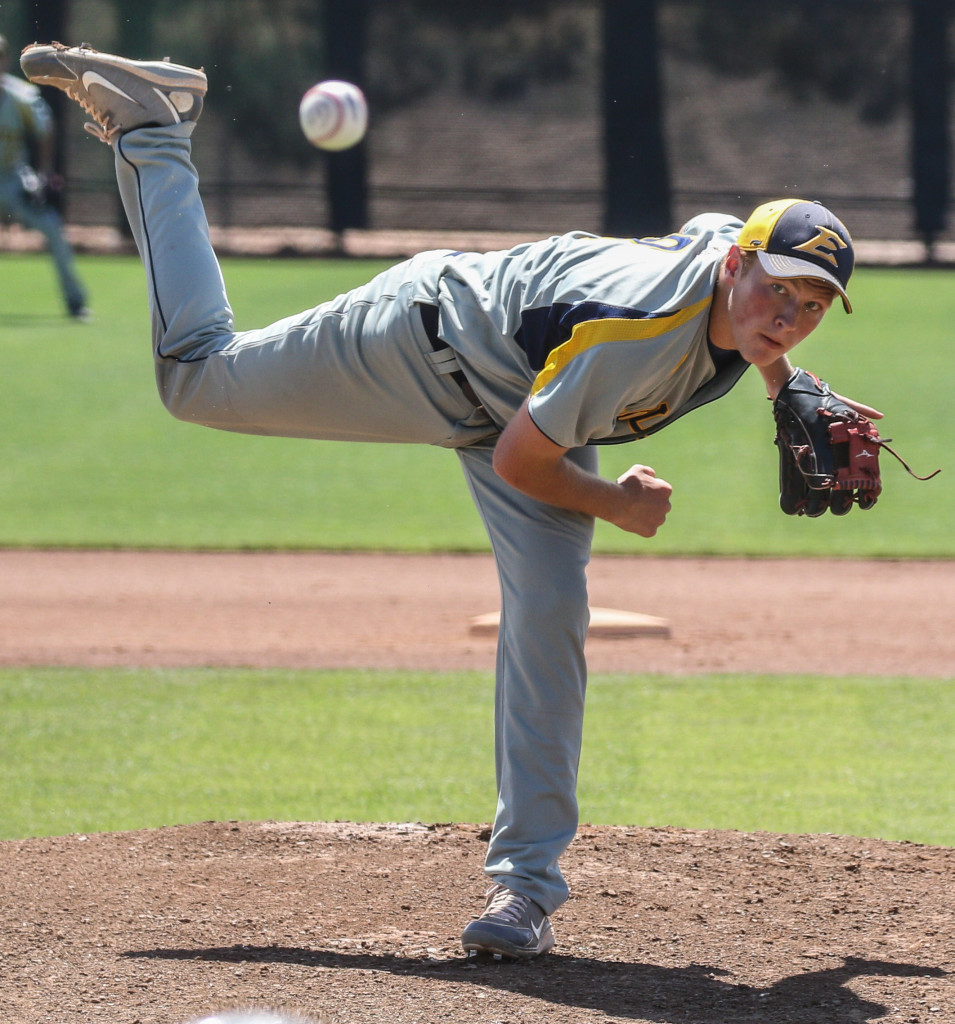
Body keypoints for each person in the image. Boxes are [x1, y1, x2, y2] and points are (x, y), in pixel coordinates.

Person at [21, 41, 881, 960]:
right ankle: (157, 129)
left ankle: (522, 893)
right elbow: (523, 462)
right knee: (197, 378)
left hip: (531, 396)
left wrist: (781, 376)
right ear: (733, 269)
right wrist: (611, 503)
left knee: (550, 608)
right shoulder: (636, 334)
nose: (785, 316)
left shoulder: (731, 267)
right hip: (424, 344)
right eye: (776, 289)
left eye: (810, 304)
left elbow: (722, 254)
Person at [0, 34, 89, 320]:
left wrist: (44, 174)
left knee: (52, 228)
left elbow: (45, 131)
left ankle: (75, 302)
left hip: (13, 179)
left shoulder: (20, 96)